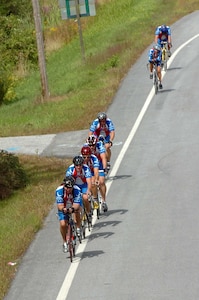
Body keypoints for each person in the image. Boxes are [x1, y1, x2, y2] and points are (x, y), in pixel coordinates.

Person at [55, 176, 82, 253]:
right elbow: (60, 205)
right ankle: (64, 242)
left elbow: (77, 204)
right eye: (67, 187)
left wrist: (72, 209)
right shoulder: (59, 190)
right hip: (63, 206)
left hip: (73, 205)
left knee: (78, 211)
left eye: (70, 188)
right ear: (64, 186)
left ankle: (78, 227)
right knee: (63, 224)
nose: (68, 189)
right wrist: (64, 209)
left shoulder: (77, 190)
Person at [66, 155, 92, 222]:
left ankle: (88, 212)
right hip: (75, 186)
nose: (78, 167)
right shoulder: (70, 169)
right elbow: (68, 181)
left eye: (80, 165)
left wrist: (88, 190)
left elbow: (89, 181)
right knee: (75, 203)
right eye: (77, 165)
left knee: (85, 197)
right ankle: (77, 221)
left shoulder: (86, 168)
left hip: (84, 185)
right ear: (74, 165)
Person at [87, 134, 108, 212]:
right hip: (90, 167)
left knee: (101, 182)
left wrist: (105, 168)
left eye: (93, 145)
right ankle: (95, 198)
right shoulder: (86, 148)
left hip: (99, 165)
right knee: (92, 183)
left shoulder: (99, 146)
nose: (91, 147)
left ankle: (104, 201)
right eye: (90, 145)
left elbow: (103, 157)